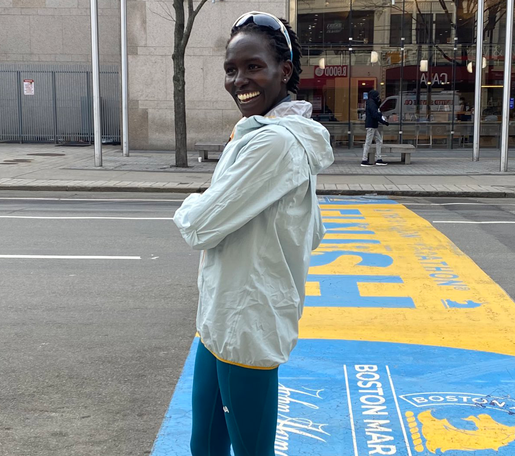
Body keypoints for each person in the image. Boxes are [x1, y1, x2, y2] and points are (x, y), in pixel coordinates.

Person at [172, 11, 333, 456]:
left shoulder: (275, 143)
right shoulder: (270, 136)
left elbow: (201, 226)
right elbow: (313, 230)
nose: (239, 79)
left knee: (248, 448)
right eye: (231, 69)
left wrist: (194, 201)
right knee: (203, 444)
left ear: (284, 71)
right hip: (219, 319)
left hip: (247, 322)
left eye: (253, 66)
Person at [361, 89, 389, 166]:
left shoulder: (371, 103)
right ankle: (364, 159)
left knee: (378, 140)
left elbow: (376, 112)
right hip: (371, 125)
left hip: (373, 125)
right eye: (377, 96)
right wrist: (383, 122)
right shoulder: (372, 103)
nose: (378, 97)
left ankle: (378, 158)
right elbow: (375, 114)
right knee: (368, 142)